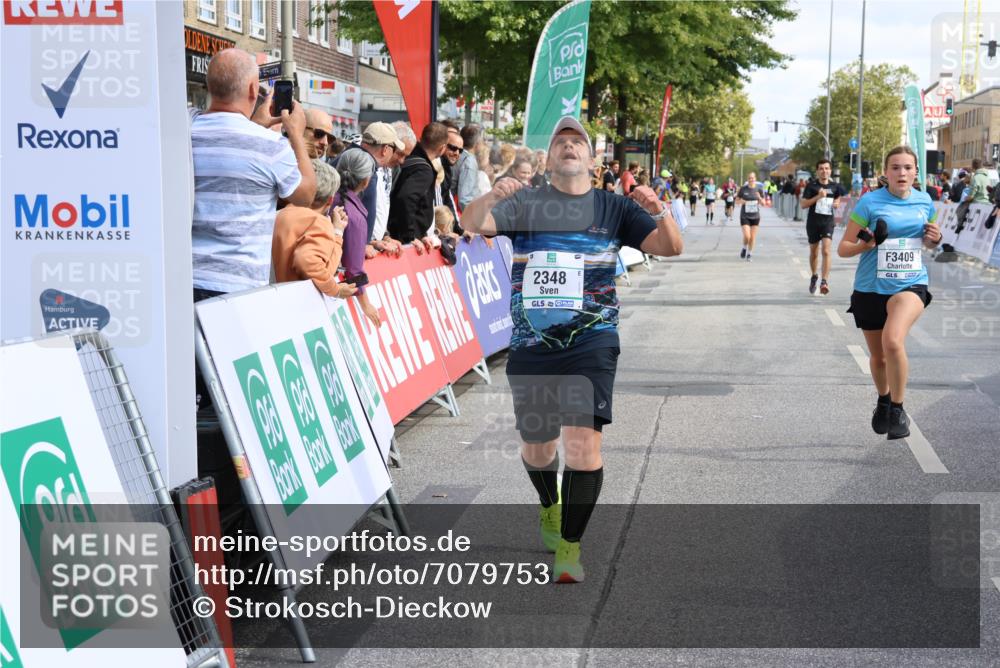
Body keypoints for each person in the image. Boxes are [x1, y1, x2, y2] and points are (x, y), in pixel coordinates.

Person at [460, 116, 683, 584]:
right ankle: (549, 505)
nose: (569, 146)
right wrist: (491, 197)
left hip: (592, 340)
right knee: (538, 450)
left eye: (576, 140)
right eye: (560, 140)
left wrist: (658, 208)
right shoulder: (525, 203)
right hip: (531, 343)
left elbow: (671, 246)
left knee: (581, 447)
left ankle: (570, 545)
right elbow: (470, 224)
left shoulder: (614, 207)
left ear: (590, 156)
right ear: (550, 157)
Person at [191, 48, 316, 300]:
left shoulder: (184, 129)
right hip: (238, 286)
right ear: (251, 90)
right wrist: (296, 135)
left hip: (184, 277)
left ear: (209, 86)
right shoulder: (269, 145)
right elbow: (305, 195)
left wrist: (254, 125)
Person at [838, 145, 942, 440]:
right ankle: (883, 400)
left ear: (916, 172)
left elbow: (931, 240)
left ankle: (897, 408)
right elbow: (844, 248)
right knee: (879, 357)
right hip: (870, 287)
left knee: (893, 341)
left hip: (910, 284)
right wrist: (865, 245)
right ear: (886, 172)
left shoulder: (925, 201)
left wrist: (935, 239)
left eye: (907, 167)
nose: (902, 173)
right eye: (895, 167)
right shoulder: (869, 203)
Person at [271, 159, 357, 298]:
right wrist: (336, 290)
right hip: (291, 302)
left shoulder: (279, 214)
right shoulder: (318, 222)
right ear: (330, 200)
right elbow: (307, 261)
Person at [333, 150, 382, 329]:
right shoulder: (355, 216)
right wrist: (366, 304)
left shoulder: (329, 198)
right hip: (332, 288)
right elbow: (354, 269)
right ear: (366, 181)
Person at [387, 121, 449, 252]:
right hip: (402, 243)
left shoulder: (409, 157)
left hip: (394, 236)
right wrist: (410, 236)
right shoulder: (423, 170)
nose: (401, 159)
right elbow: (405, 199)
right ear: (442, 148)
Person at [800, 159, 845, 295]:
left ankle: (824, 281)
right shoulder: (811, 186)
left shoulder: (835, 186)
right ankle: (814, 275)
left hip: (827, 223)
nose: (824, 171)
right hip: (813, 222)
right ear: (817, 171)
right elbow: (803, 204)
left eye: (826, 168)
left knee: (826, 250)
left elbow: (839, 197)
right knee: (814, 252)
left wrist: (837, 202)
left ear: (830, 170)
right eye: (821, 168)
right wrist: (818, 197)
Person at [454, 123, 483, 210]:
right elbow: (464, 199)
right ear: (477, 143)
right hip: (461, 214)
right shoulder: (469, 161)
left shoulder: (459, 154)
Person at [736, 172, 763, 261]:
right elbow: (737, 201)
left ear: (755, 178)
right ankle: (744, 248)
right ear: (747, 179)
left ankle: (749, 254)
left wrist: (759, 198)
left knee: (752, 237)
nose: (751, 180)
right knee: (747, 236)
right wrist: (741, 201)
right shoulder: (743, 189)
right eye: (749, 178)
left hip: (755, 216)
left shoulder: (759, 189)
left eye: (752, 178)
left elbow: (764, 203)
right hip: (745, 216)